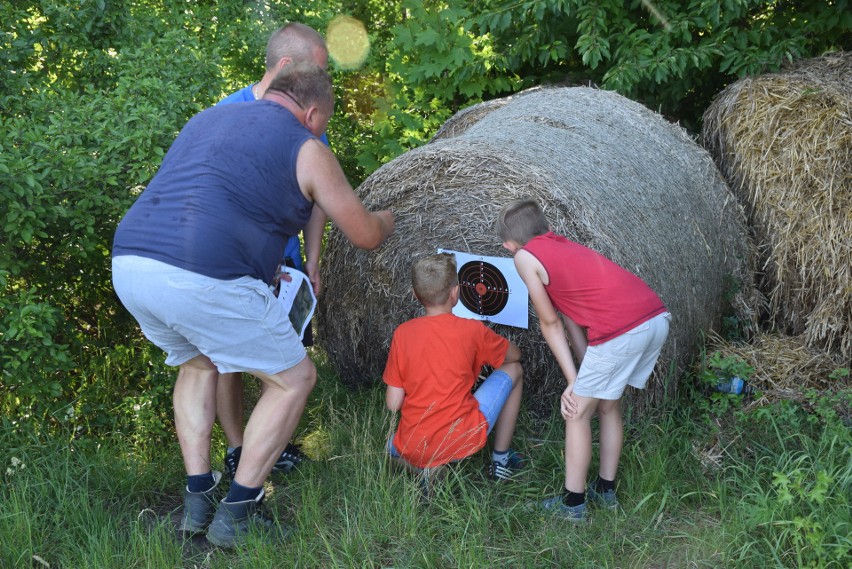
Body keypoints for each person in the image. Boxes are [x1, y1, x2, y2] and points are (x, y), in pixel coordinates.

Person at [112, 63, 394, 547]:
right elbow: (365, 234)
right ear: (311, 113)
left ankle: (198, 498)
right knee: (294, 379)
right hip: (202, 276)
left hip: (132, 262)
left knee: (198, 363)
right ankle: (239, 511)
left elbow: (208, 200)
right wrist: (389, 215)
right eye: (324, 122)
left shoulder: (206, 119)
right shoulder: (306, 146)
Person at [495, 198, 670, 521]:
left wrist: (574, 384)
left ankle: (573, 505)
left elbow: (550, 323)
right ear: (545, 228)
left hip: (621, 330)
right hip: (654, 319)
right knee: (606, 405)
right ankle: (605, 491)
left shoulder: (524, 257)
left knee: (576, 413)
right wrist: (583, 372)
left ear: (509, 245)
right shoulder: (563, 248)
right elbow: (572, 318)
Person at [216, 23, 329, 480]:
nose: (323, 81)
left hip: (286, 265)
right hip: (236, 264)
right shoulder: (227, 114)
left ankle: (270, 447)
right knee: (228, 362)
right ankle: (236, 449)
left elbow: (320, 195)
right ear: (286, 67)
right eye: (316, 70)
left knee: (279, 357)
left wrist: (313, 259)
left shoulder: (309, 114)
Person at [383, 253, 525, 484]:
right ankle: (501, 460)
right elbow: (514, 356)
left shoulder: (402, 334)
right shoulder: (472, 331)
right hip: (460, 438)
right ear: (455, 293)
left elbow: (394, 403)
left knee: (394, 445)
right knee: (515, 369)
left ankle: (416, 466)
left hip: (413, 442)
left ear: (415, 295)